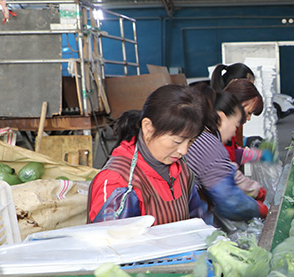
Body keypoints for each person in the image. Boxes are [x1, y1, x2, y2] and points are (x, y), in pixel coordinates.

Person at [87, 85, 210, 225]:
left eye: (191, 141)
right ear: (148, 128)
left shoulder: (181, 170)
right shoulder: (119, 182)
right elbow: (111, 241)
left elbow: (197, 222)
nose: (184, 151)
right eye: (178, 141)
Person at [185, 85, 269, 224]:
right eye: (235, 124)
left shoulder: (201, 136)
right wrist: (258, 209)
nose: (234, 131)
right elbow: (229, 202)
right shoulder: (210, 146)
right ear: (222, 117)